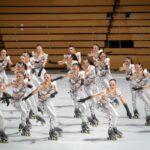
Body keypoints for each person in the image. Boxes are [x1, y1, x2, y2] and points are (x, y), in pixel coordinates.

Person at [22, 73, 63, 140]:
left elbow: (56, 90)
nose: (46, 79)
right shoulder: (41, 85)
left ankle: (52, 128)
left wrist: (53, 94)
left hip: (49, 101)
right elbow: (34, 92)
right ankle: (52, 130)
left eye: (47, 77)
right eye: (45, 77)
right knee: (53, 115)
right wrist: (26, 97)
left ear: (50, 77)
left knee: (53, 115)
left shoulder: (53, 83)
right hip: (43, 102)